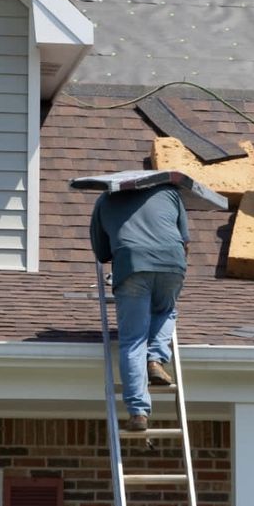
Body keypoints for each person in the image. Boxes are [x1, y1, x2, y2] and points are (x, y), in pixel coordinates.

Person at [90, 184, 189, 432]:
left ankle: (138, 412)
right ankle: (155, 360)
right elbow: (185, 240)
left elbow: (102, 253)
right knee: (166, 310)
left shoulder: (105, 199)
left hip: (132, 262)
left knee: (133, 340)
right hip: (172, 260)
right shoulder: (168, 193)